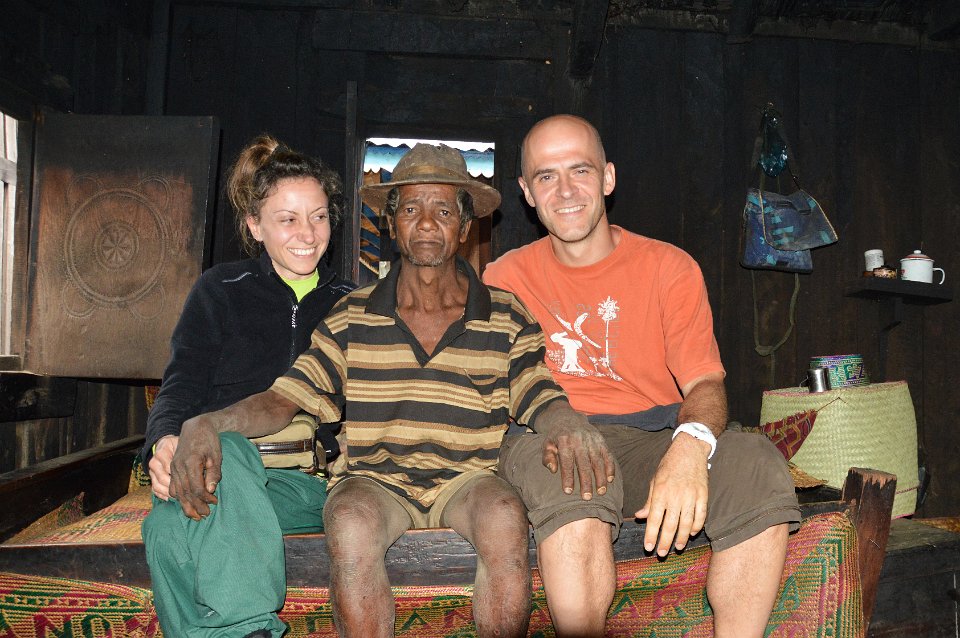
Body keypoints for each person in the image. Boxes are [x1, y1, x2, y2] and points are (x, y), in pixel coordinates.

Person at [167, 143, 605, 638]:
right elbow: (285, 398)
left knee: (505, 517)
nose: (426, 224)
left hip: (468, 479)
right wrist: (208, 422)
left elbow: (536, 389)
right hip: (376, 480)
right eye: (410, 210)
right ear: (392, 225)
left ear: (465, 227)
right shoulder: (353, 315)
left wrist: (568, 422)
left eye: (444, 211)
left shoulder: (505, 313)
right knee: (349, 520)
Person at [483, 114, 801, 638]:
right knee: (576, 482)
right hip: (550, 436)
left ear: (608, 178)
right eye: (546, 176)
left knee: (754, 461)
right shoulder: (503, 279)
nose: (565, 190)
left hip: (649, 434)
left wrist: (689, 446)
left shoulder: (669, 267)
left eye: (580, 170)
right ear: (527, 192)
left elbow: (704, 384)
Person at [141, 135, 354, 638]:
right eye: (287, 219)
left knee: (221, 453)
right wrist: (163, 441)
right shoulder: (219, 290)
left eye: (319, 217)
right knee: (166, 529)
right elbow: (181, 383)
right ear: (255, 226)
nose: (307, 234)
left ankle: (247, 627)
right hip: (212, 471)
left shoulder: (353, 303)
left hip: (301, 483)